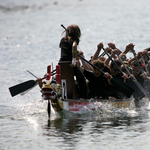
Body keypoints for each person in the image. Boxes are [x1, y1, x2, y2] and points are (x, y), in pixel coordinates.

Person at [59, 24, 88, 99]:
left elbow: (61, 46)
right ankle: (83, 97)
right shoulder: (75, 39)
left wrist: (73, 51)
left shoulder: (63, 39)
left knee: (63, 78)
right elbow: (74, 46)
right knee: (81, 79)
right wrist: (74, 60)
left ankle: (61, 95)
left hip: (61, 63)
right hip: (70, 64)